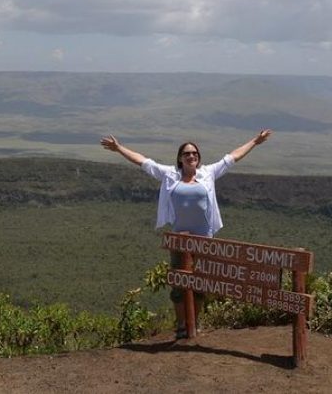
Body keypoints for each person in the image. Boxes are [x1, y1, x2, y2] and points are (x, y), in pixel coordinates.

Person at [100, 130, 272, 339]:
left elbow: (232, 157)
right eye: (187, 154)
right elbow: (144, 162)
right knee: (179, 285)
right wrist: (119, 148)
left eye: (195, 154)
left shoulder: (208, 173)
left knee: (200, 285)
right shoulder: (169, 175)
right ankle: (182, 324)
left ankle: (194, 323)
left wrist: (255, 141)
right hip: (180, 240)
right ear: (180, 158)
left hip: (204, 240)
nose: (191, 156)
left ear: (198, 158)